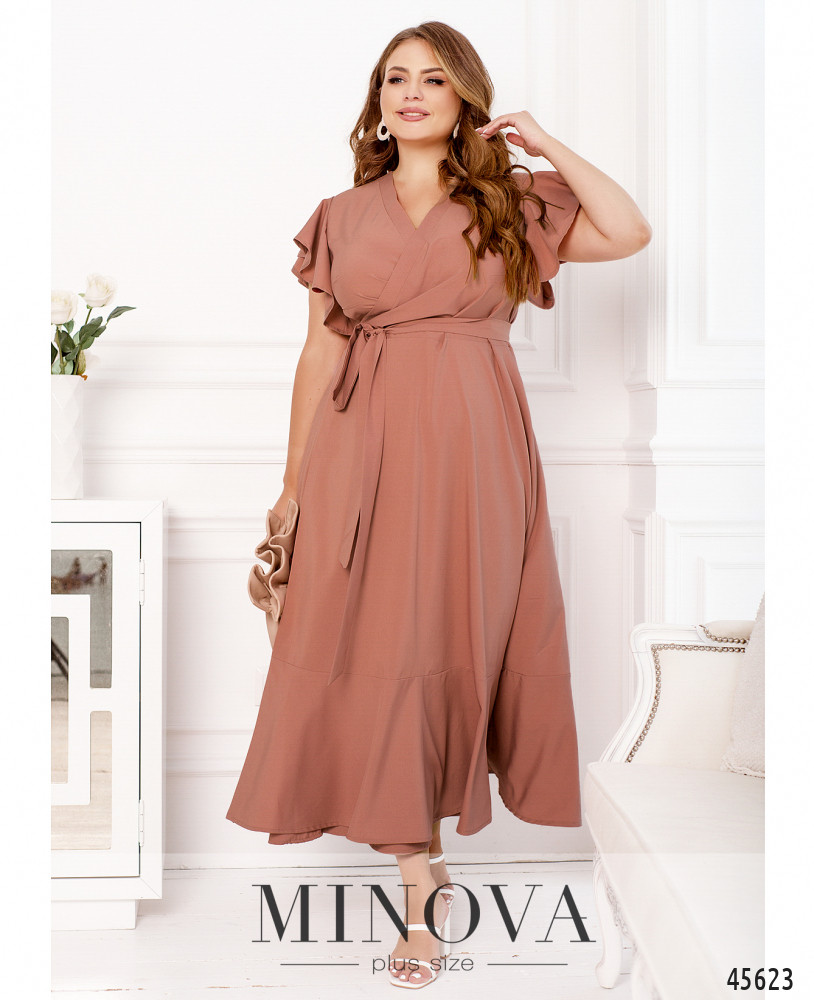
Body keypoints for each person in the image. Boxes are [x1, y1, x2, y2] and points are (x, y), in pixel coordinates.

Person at [226, 20, 651, 991]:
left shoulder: (509, 202)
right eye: (394, 79)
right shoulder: (340, 215)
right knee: (375, 647)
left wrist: (545, 143)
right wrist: (293, 486)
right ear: (377, 102)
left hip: (474, 449)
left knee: (445, 640)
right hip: (358, 446)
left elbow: (629, 231)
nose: (410, 93)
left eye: (431, 79)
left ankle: (424, 868)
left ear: (464, 99)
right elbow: (321, 351)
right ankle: (419, 878)